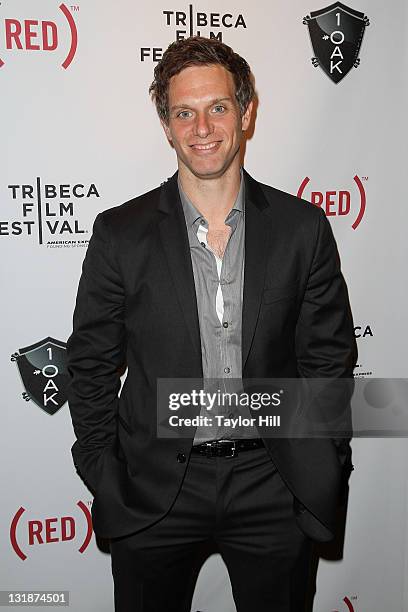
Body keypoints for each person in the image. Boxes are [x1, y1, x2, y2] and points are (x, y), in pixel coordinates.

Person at [67, 36, 357, 612]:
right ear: (167, 125)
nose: (202, 127)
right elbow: (91, 366)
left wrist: (325, 461)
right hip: (153, 490)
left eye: (218, 107)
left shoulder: (304, 229)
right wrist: (106, 473)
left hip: (273, 480)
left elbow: (328, 359)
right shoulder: (119, 234)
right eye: (184, 112)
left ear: (246, 112)